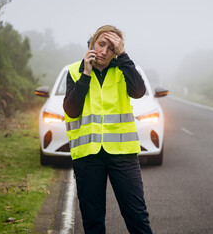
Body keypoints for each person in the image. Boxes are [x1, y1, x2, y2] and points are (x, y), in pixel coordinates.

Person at [63, 25, 153, 234]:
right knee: (93, 222)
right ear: (92, 42)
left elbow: (139, 91)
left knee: (137, 217)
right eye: (101, 44)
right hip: (88, 157)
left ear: (117, 52)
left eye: (112, 48)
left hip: (123, 155)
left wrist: (123, 55)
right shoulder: (74, 71)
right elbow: (71, 110)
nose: (104, 51)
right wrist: (86, 75)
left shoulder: (125, 69)